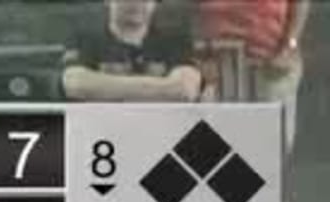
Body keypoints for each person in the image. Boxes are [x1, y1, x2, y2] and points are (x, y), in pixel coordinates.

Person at [61, 0, 203, 101]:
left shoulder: (175, 40)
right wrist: (163, 88)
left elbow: (185, 89)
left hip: (161, 132)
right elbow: (75, 84)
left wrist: (101, 88)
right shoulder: (84, 38)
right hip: (100, 133)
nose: (135, 2)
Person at [192, 0, 310, 115]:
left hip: (268, 64)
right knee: (213, 129)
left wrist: (289, 48)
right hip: (214, 63)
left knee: (265, 130)